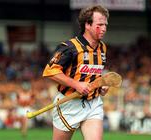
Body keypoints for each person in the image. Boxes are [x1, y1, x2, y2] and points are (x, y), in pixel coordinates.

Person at [43, 5, 109, 140]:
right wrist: (76, 84)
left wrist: (100, 85)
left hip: (93, 103)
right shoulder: (70, 47)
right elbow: (50, 71)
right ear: (88, 25)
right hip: (69, 104)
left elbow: (93, 73)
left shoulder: (102, 47)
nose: (104, 28)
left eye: (105, 24)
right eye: (100, 24)